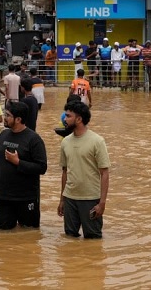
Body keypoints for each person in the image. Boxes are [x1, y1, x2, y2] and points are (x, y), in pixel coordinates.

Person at [0, 102, 48, 230]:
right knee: (3, 235)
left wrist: (18, 162)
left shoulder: (34, 139)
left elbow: (42, 167)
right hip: (3, 197)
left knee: (29, 234)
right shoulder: (3, 135)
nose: (5, 118)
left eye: (8, 115)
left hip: (26, 197)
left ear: (18, 119)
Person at [58, 101, 110, 239]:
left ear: (79, 119)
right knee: (69, 238)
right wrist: (62, 200)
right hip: (70, 198)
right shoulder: (65, 142)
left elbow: (104, 173)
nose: (64, 119)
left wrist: (102, 203)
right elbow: (65, 172)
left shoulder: (97, 141)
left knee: (93, 240)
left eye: (68, 116)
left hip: (90, 199)